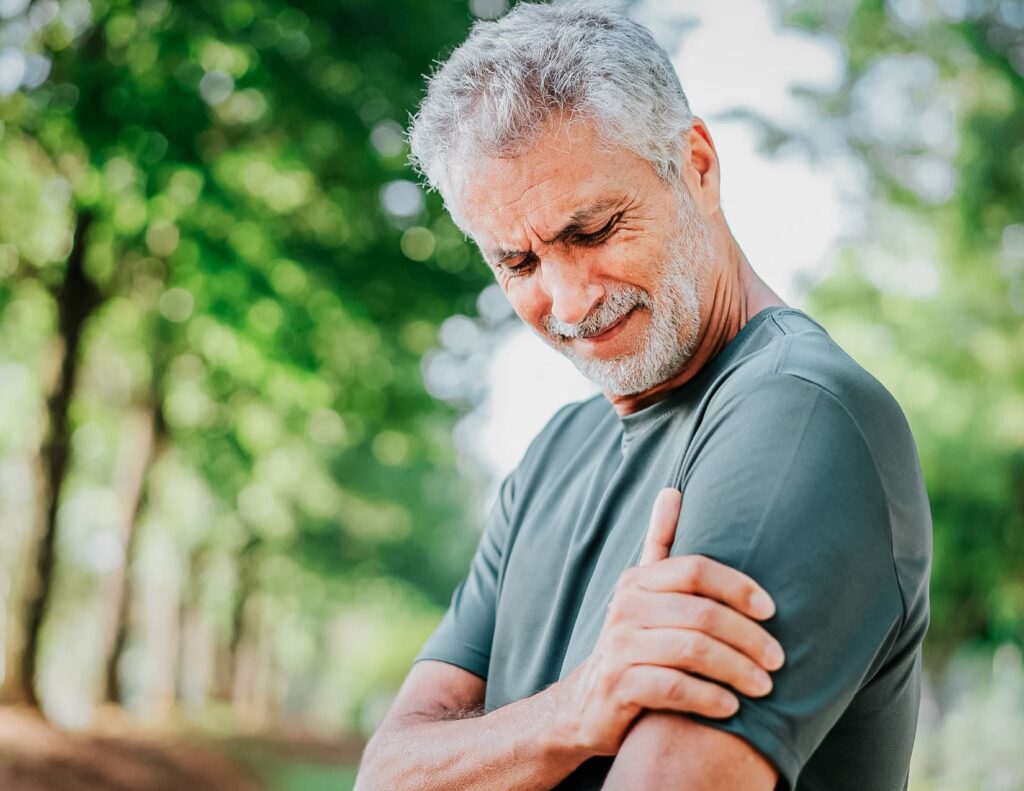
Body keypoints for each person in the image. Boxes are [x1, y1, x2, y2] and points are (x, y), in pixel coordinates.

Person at [354, 2, 932, 789]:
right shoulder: (557, 450)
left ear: (697, 165)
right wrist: (571, 711)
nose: (567, 300)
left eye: (593, 231)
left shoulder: (800, 414)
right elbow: (387, 770)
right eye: (518, 263)